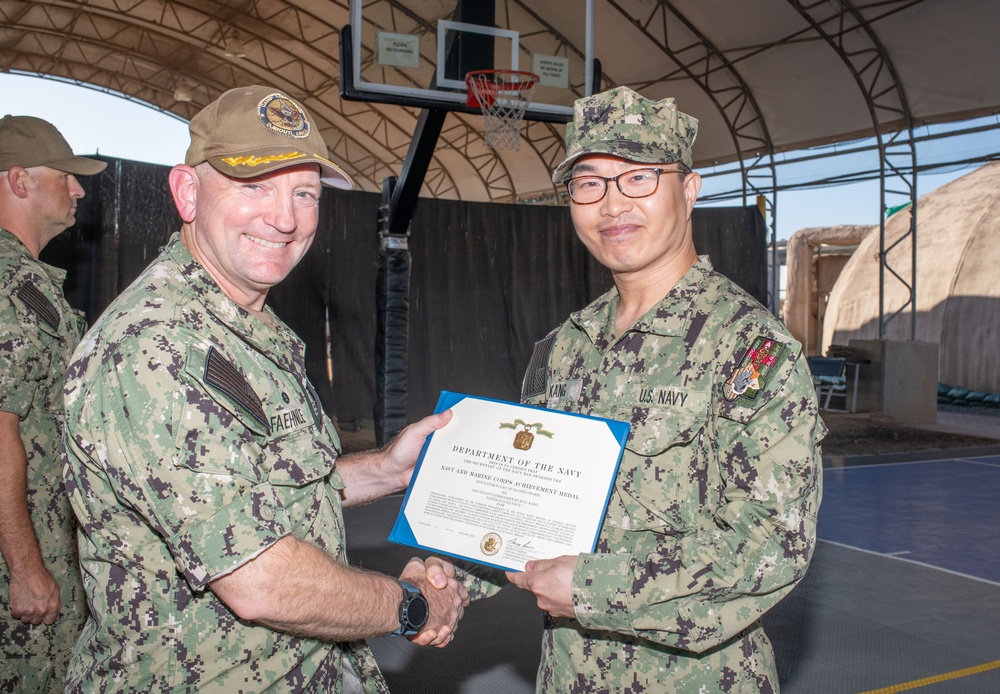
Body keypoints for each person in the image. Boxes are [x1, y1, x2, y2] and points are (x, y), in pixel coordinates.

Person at [60, 85, 467, 693]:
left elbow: (272, 485)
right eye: (255, 187)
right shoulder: (155, 347)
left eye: (305, 193)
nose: (285, 218)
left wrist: (386, 468)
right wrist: (410, 605)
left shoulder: (248, 326)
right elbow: (261, 581)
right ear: (188, 193)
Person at [501, 87, 826, 692]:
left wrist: (593, 588)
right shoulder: (565, 347)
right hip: (569, 673)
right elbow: (526, 500)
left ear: (690, 189)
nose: (611, 205)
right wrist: (447, 572)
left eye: (640, 178)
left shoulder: (748, 349)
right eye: (589, 182)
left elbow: (771, 545)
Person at [0, 115, 107, 692]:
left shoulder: (29, 285)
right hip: (22, 563)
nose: (79, 189)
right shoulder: (6, 288)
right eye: (65, 176)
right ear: (19, 181)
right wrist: (27, 569)